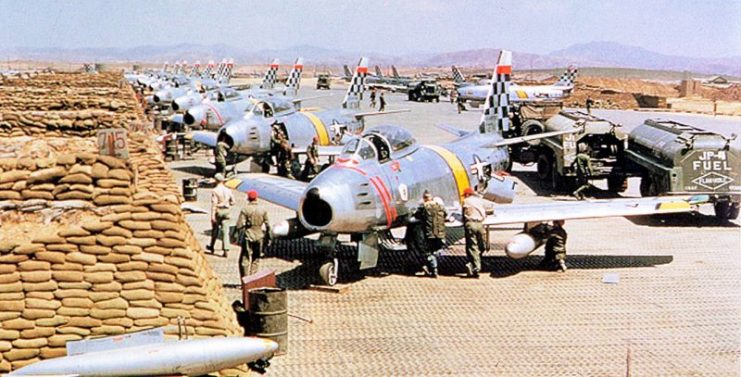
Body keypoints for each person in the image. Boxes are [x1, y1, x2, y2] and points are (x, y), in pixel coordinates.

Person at [236, 190, 271, 280]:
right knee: (256, 258)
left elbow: (240, 225)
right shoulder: (263, 209)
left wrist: (236, 235)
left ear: (248, 198)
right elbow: (268, 225)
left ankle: (245, 279)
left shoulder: (245, 209)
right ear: (256, 198)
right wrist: (269, 237)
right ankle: (252, 278)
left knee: (245, 258)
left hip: (248, 235)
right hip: (259, 235)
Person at [462, 187, 491, 278]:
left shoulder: (466, 201)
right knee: (482, 245)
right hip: (480, 224)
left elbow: (464, 213)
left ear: (467, 194)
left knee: (472, 246)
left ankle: (475, 266)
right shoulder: (480, 200)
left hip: (470, 224)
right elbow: (489, 208)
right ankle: (475, 263)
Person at [416, 191, 446, 277]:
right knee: (437, 249)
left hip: (430, 234)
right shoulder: (440, 206)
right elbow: (445, 214)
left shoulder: (424, 207)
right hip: (440, 233)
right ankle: (433, 264)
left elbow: (418, 216)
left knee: (429, 252)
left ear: (425, 198)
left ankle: (434, 269)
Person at [208, 173, 234, 256]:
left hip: (219, 211)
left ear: (216, 180)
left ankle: (211, 246)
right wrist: (227, 202)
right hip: (227, 211)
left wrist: (212, 215)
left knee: (215, 230)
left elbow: (214, 204)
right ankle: (226, 249)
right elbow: (233, 202)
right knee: (225, 231)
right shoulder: (228, 190)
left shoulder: (215, 190)